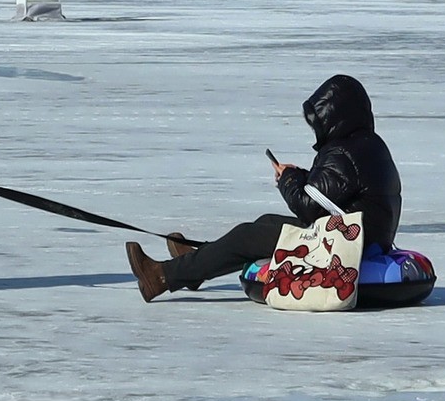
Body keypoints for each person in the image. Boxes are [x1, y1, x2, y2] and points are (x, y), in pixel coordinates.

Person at [126, 74, 402, 302]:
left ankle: (160, 276)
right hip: (365, 236)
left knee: (246, 236)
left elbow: (308, 207)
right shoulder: (365, 145)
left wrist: (288, 180)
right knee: (265, 224)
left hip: (346, 243)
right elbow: (337, 190)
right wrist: (300, 175)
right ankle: (197, 265)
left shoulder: (343, 152)